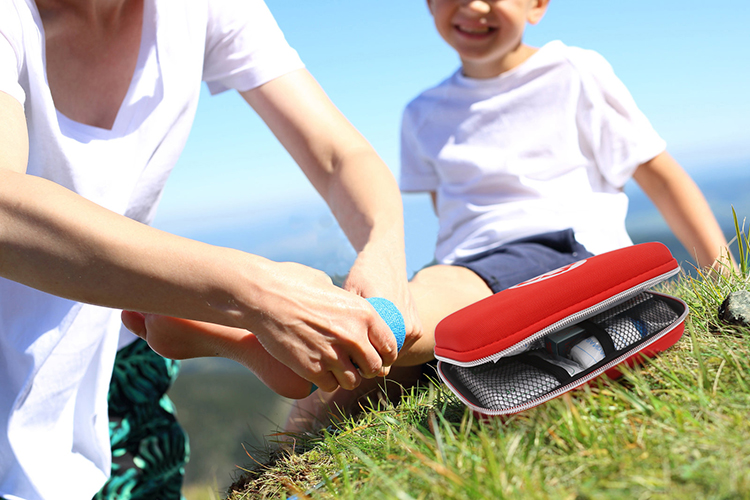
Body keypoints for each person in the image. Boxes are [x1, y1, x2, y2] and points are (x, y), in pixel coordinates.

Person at [137, 0, 732, 435]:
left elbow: (661, 175)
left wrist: (724, 272)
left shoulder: (574, 73)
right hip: (471, 263)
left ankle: (291, 316)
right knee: (348, 389)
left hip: (564, 249)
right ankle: (278, 381)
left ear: (537, 5)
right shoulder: (422, 113)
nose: (471, 6)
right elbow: (456, 219)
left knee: (414, 318)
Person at [0, 0, 420, 498]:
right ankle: (181, 312)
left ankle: (174, 312)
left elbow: (337, 155)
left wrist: (385, 252)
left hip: (116, 363)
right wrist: (255, 295)